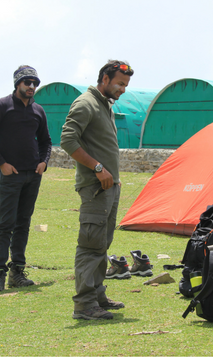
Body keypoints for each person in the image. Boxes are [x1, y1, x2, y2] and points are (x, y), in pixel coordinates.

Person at [60, 60, 134, 320]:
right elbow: (67, 139)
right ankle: (84, 305)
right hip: (94, 188)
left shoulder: (105, 105)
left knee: (102, 244)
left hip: (108, 188)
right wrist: (98, 168)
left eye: (125, 85)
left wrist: (113, 178)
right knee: (91, 245)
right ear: (104, 78)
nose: (123, 89)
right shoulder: (85, 103)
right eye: (120, 84)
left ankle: (97, 295)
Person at [0, 65, 52, 292]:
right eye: (27, 82)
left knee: (23, 224)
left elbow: (46, 141)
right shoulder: (1, 106)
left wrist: (43, 163)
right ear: (17, 83)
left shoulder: (38, 110)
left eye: (35, 83)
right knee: (5, 225)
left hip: (33, 175)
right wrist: (1, 164)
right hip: (11, 176)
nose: (31, 87)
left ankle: (17, 273)